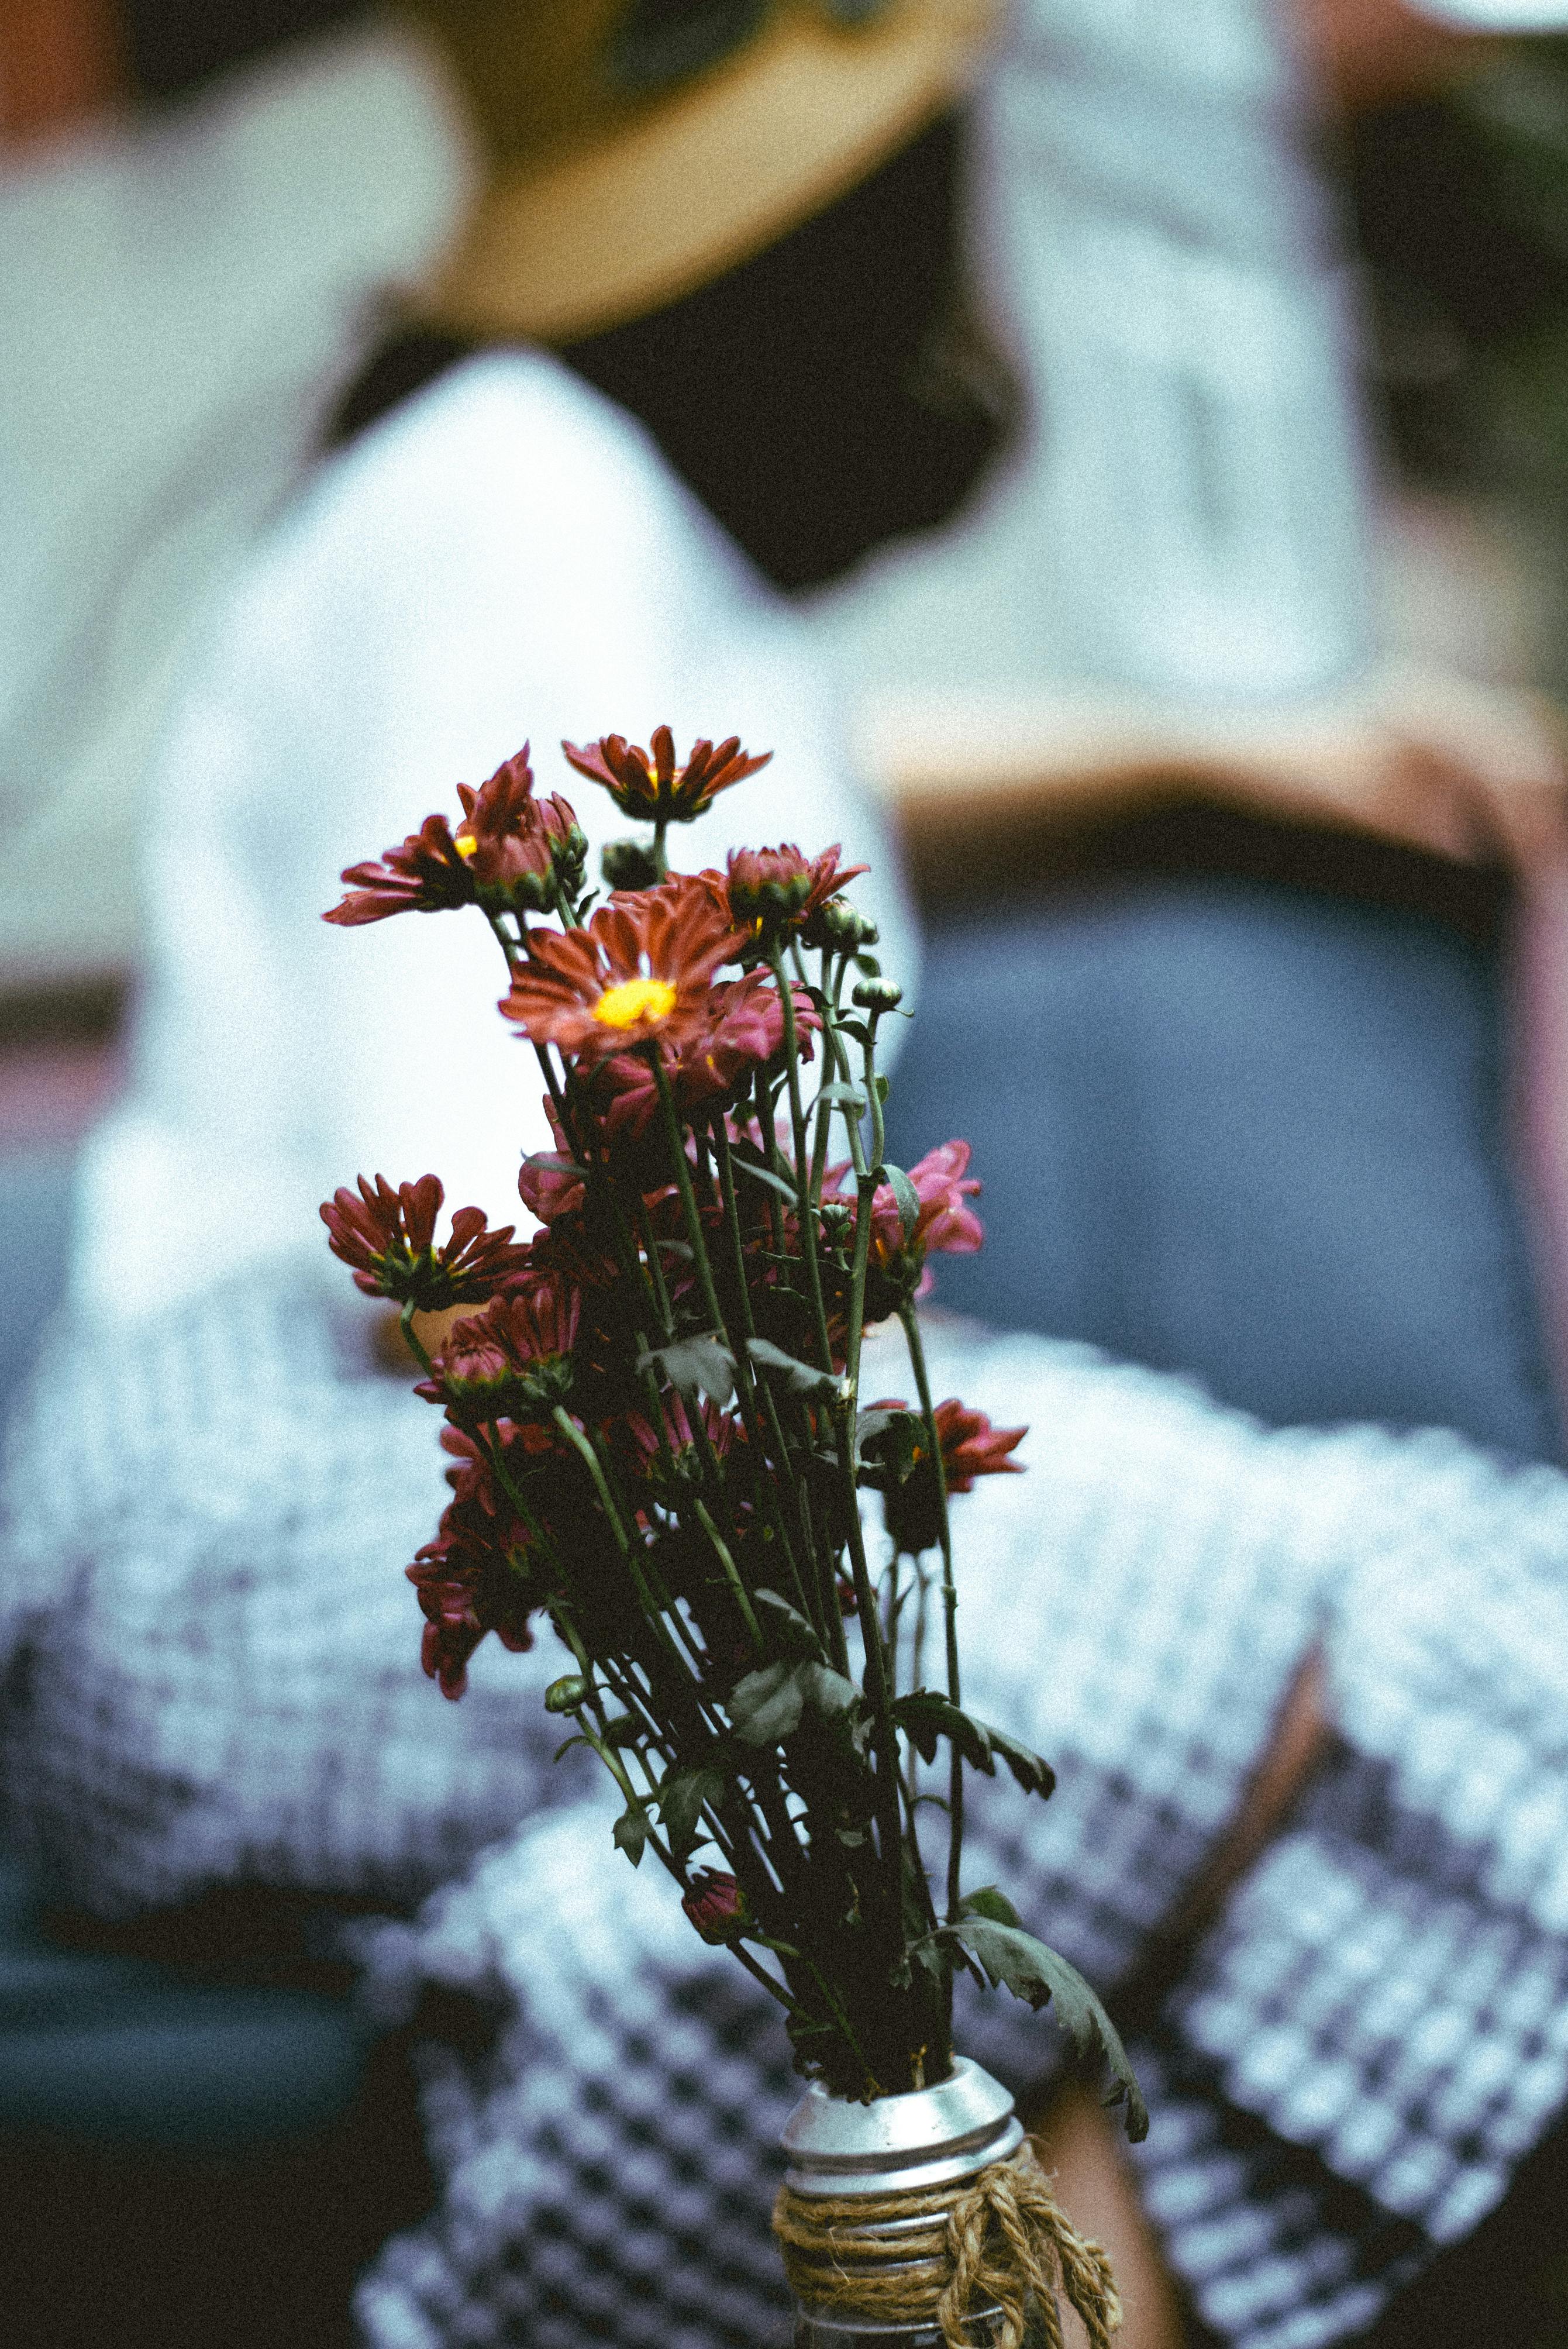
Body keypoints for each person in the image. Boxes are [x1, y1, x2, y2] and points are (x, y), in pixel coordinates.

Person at [7, 5, 1568, 2347]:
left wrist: (1183, 765)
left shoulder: (586, 506)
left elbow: (774, 794)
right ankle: (607, 2115)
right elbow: (482, 1253)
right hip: (271, 1520)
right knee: (1285, 1608)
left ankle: (792, 2150)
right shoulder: (516, 505)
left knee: (1465, 1615)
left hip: (474, 1486)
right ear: (826, 210)